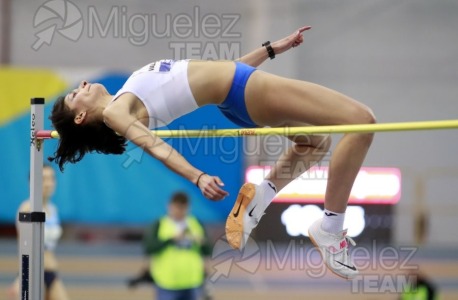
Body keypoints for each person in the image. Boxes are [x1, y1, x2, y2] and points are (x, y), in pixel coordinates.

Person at [48, 25, 375, 279]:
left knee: (317, 143)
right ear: (80, 117)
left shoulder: (124, 96)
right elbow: (153, 145)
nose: (81, 87)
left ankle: (257, 200)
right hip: (243, 91)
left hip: (236, 91)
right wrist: (197, 176)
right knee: (362, 120)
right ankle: (330, 228)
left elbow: (219, 72)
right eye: (75, 95)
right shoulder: (114, 113)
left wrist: (271, 49)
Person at [7, 164, 70, 300]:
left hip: (51, 273)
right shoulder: (27, 208)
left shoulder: (53, 209)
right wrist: (21, 279)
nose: (48, 183)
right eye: (43, 179)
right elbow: (25, 247)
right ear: (33, 182)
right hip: (32, 273)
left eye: (51, 179)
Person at [140, 192, 212, 300]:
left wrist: (201, 242)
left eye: (183, 208)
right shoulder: (159, 224)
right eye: (177, 208)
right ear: (169, 206)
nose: (180, 211)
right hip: (167, 282)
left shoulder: (196, 223)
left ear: (188, 207)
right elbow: (149, 248)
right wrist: (170, 240)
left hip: (192, 281)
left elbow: (208, 250)